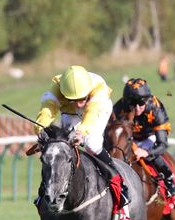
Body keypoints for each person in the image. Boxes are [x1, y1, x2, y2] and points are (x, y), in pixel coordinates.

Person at [33, 65, 128, 208]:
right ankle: (47, 189)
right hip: (70, 112)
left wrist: (81, 133)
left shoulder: (98, 89)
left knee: (91, 143)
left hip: (98, 110)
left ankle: (117, 180)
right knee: (62, 145)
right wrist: (40, 127)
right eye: (74, 99)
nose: (78, 104)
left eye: (82, 98)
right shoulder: (58, 88)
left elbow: (90, 114)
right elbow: (48, 109)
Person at [112, 78, 175, 200]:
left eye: (141, 103)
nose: (137, 108)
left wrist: (146, 152)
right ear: (126, 102)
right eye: (133, 104)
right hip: (128, 138)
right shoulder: (118, 108)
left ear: (147, 100)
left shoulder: (156, 108)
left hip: (149, 137)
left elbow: (162, 144)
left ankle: (170, 182)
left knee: (156, 157)